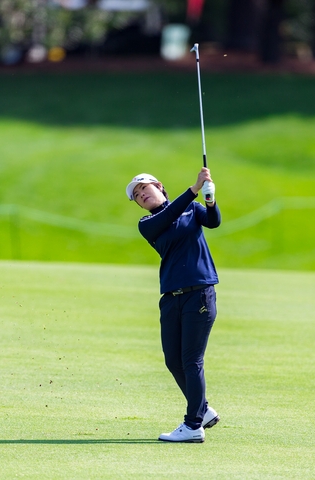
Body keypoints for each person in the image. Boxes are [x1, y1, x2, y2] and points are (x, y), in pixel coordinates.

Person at [126, 167, 221, 443]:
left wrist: (210, 199)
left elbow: (213, 221)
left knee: (191, 360)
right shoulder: (147, 224)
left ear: (160, 186)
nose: (141, 195)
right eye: (137, 195)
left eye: (144, 188)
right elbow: (169, 215)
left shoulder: (193, 211)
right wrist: (193, 190)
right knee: (173, 359)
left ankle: (193, 425)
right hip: (170, 298)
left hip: (199, 294)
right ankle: (202, 410)